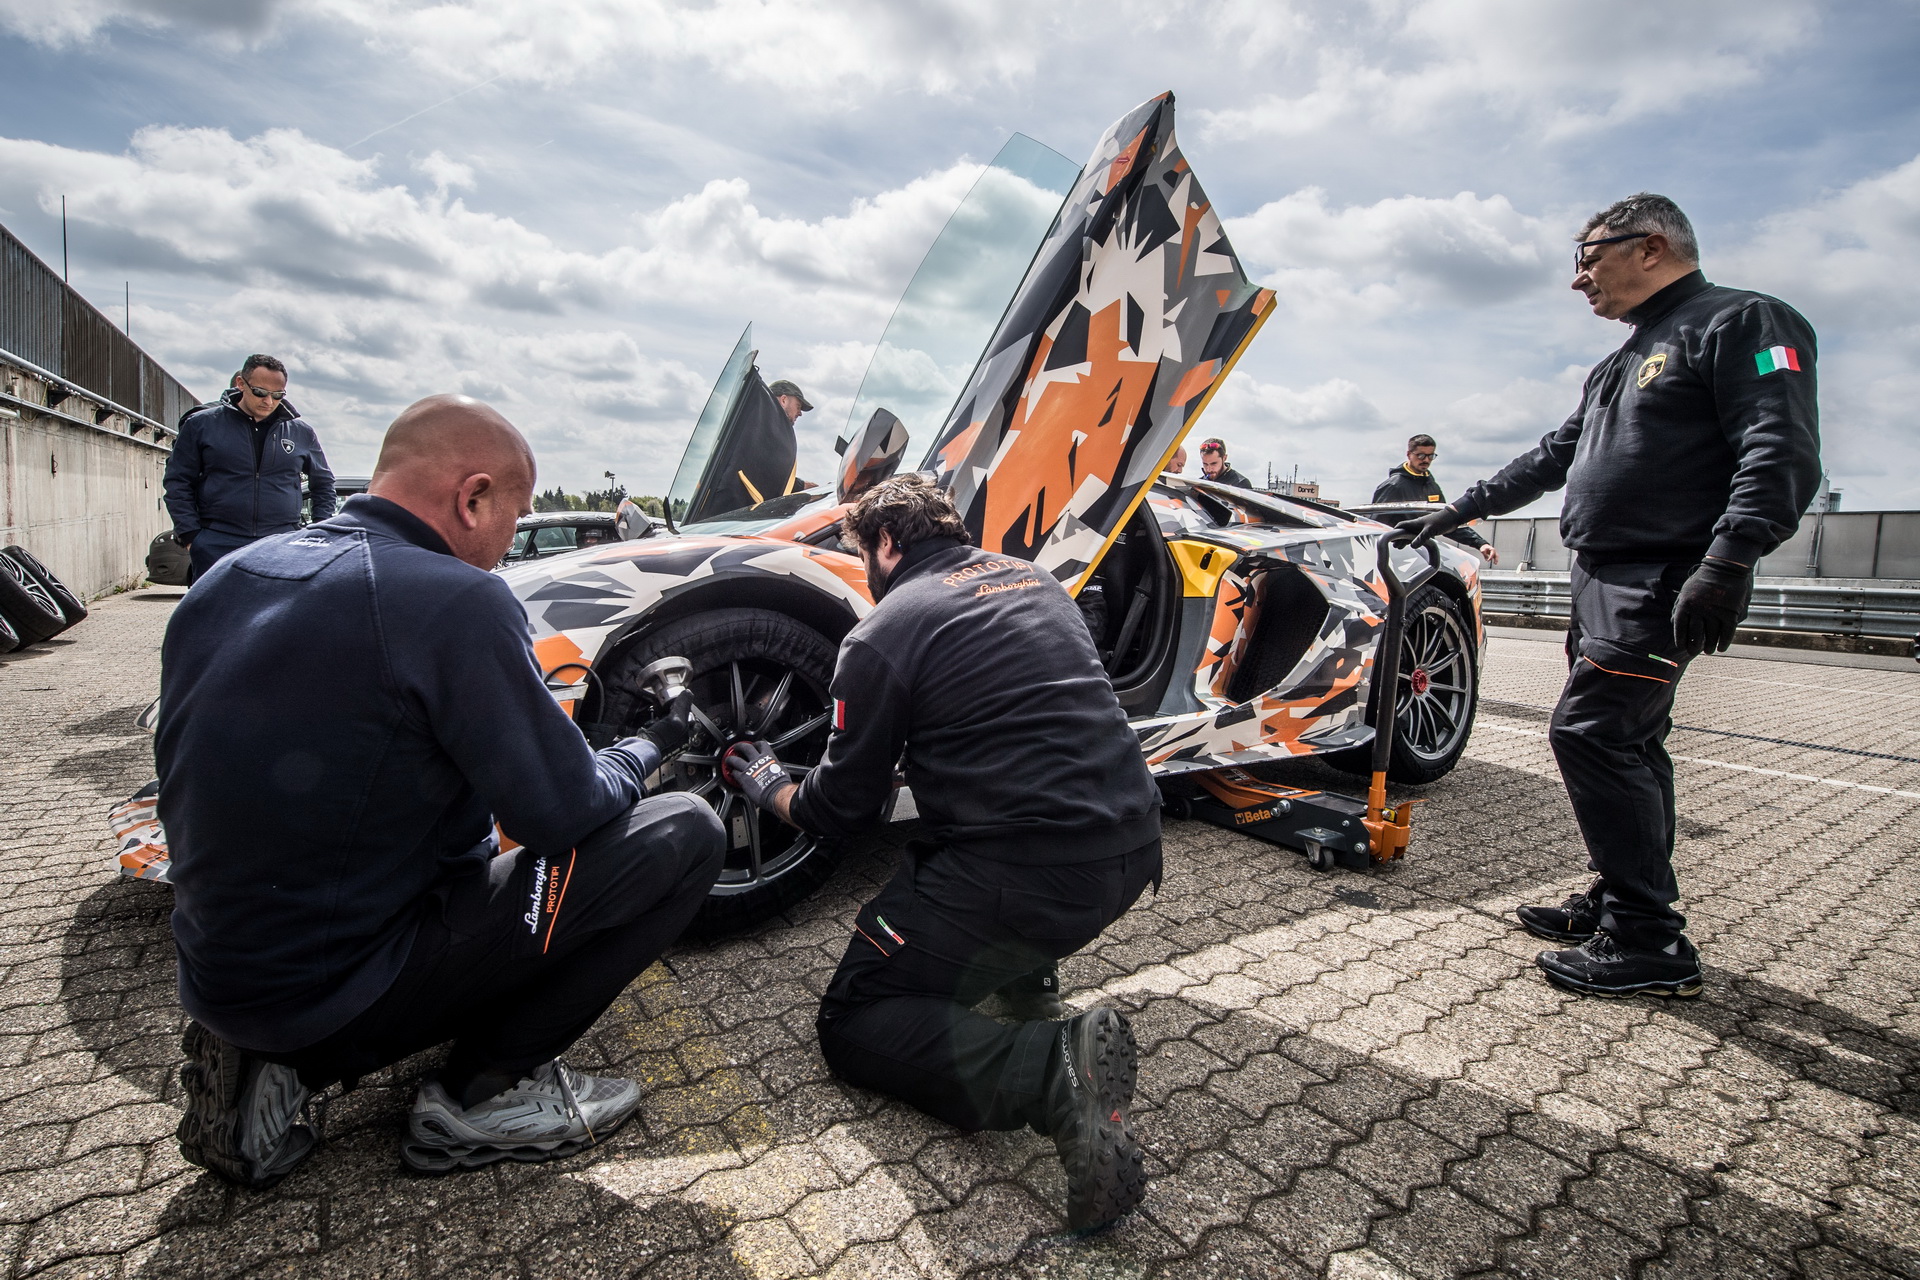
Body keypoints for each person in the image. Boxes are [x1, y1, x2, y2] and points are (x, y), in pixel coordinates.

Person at [157, 394, 725, 1188]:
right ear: (473, 496)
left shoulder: (230, 577)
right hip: (347, 981)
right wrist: (651, 743)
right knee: (685, 831)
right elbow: (559, 813)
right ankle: (480, 1096)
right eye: (514, 513)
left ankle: (271, 1061)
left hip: (225, 965)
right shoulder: (454, 600)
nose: (506, 542)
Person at [1400, 193, 1820, 999]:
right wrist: (1457, 509)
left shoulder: (1744, 322)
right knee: (1631, 743)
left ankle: (1650, 940)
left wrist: (1728, 561)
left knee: (1592, 735)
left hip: (1663, 577)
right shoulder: (1624, 357)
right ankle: (1616, 897)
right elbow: (1556, 453)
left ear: (1651, 246)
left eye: (1587, 257)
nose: (1578, 279)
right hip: (1601, 576)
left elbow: (1780, 448)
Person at [721, 475, 1162, 1231]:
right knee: (971, 831)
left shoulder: (886, 630)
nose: (866, 572)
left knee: (854, 1020)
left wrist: (764, 782)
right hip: (1131, 850)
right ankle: (1024, 976)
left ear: (888, 543)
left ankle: (1051, 1072)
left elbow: (837, 811)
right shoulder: (1037, 583)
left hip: (1031, 877)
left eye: (865, 554)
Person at [164, 355, 336, 583]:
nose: (269, 401)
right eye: (260, 392)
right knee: (215, 616)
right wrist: (191, 536)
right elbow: (178, 481)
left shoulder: (300, 432)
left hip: (281, 542)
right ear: (241, 383)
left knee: (277, 617)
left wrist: (318, 533)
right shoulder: (201, 425)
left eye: (278, 395)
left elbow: (323, 484)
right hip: (218, 542)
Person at [1372, 435, 1499, 564]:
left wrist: (1480, 544)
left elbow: (1446, 520)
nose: (1426, 460)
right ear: (1409, 454)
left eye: (1430, 456)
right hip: (1396, 557)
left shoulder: (1431, 485)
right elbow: (1374, 526)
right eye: (1421, 456)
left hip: (1422, 555)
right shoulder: (1394, 486)